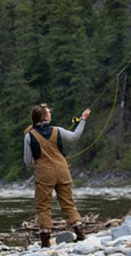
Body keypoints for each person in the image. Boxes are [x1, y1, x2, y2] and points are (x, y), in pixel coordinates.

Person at [23, 103, 90, 247]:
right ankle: (79, 232)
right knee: (68, 203)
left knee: (43, 206)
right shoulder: (58, 130)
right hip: (62, 171)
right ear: (45, 117)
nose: (50, 114)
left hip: (44, 174)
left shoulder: (29, 136)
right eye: (49, 113)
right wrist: (83, 119)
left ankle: (45, 241)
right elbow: (75, 137)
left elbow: (27, 161)